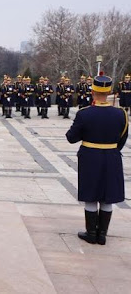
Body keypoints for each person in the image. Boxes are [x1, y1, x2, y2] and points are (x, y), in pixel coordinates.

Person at [66, 75, 128, 246]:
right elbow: (122, 140)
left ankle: (91, 233)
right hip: (112, 157)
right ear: (109, 92)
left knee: (91, 195)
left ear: (92, 91)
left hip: (90, 157)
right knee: (108, 196)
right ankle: (102, 235)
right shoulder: (121, 114)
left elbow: (71, 138)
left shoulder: (85, 113)